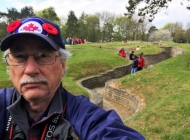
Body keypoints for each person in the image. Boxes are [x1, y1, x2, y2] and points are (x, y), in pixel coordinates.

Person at [0, 16, 145, 140]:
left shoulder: (84, 115)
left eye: (44, 56)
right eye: (19, 57)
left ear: (62, 66)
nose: (30, 70)